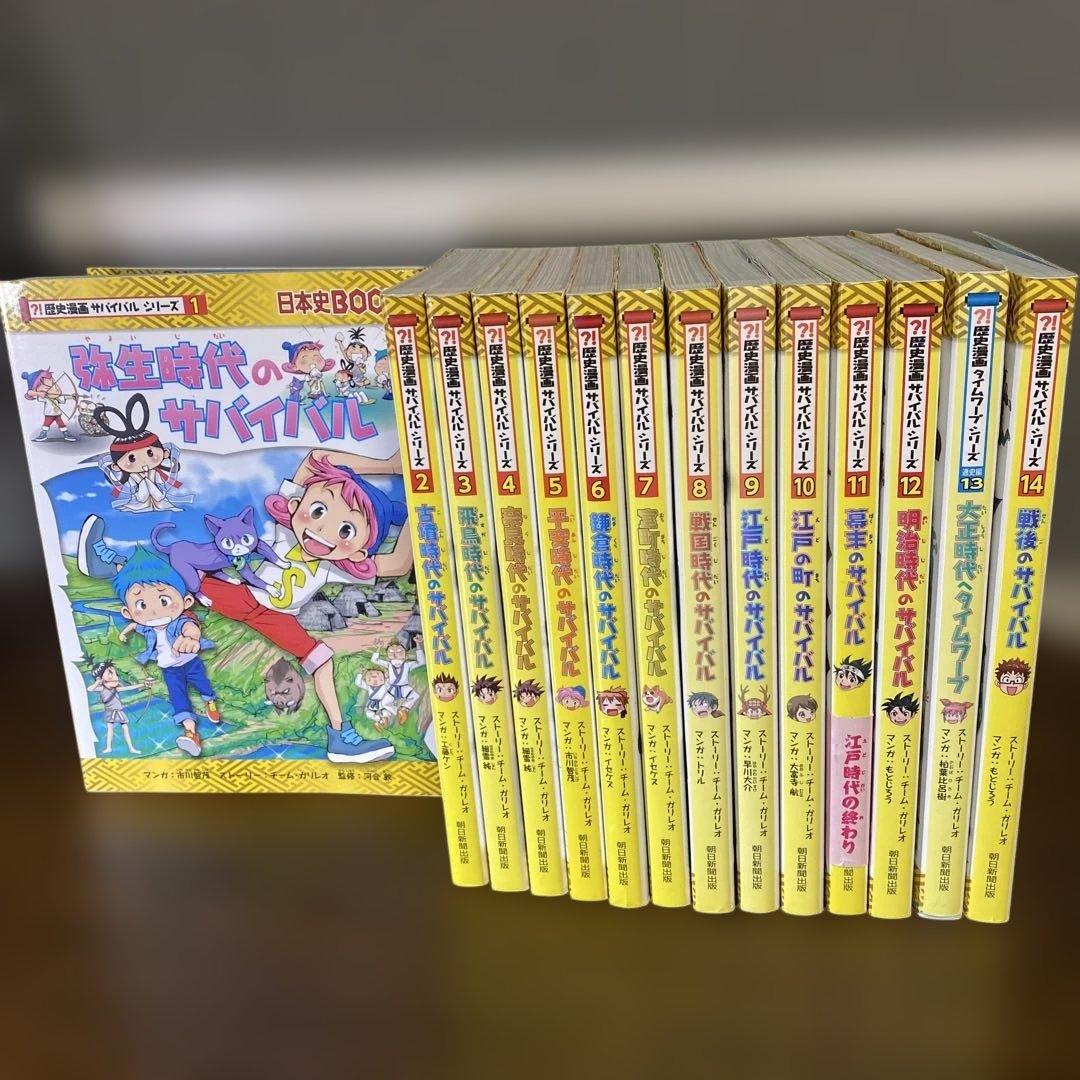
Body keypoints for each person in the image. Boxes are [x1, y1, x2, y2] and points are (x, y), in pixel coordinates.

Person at [112, 547, 220, 757]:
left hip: (190, 662)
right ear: (127, 611)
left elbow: (190, 626)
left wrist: (191, 638)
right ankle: (191, 734)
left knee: (203, 685)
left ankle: (210, 701)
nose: (154, 611)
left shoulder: (180, 621)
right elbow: (136, 625)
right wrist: (124, 632)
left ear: (186, 601)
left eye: (164, 601)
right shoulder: (147, 626)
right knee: (179, 699)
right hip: (169, 669)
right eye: (142, 605)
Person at [88, 662, 152, 754]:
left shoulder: (116, 688)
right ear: (101, 678)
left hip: (119, 711)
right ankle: (109, 748)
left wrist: (143, 684)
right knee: (110, 730)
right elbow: (90, 689)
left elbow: (130, 688)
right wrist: (97, 683)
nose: (115, 677)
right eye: (110, 674)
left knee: (125, 729)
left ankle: (131, 748)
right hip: (110, 712)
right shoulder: (102, 688)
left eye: (115, 674)